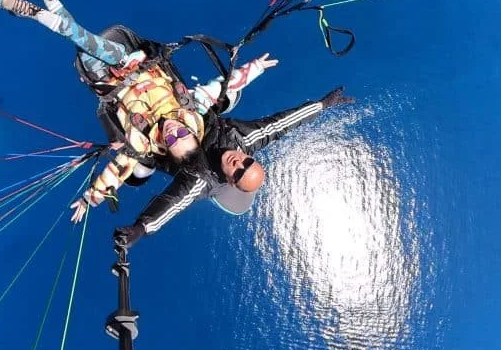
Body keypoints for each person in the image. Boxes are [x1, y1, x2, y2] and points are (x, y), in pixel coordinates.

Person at [0, 0, 277, 221]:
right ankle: (33, 11)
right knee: (85, 41)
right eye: (182, 133)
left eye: (171, 140)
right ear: (191, 132)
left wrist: (89, 199)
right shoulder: (191, 111)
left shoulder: (141, 144)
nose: (173, 132)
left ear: (166, 148)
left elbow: (116, 172)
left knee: (83, 43)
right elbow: (221, 88)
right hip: (130, 59)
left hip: (109, 80)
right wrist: (255, 68)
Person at [112, 86, 354, 251]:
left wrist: (140, 229)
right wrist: (322, 105)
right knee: (228, 94)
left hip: (162, 143)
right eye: (247, 162)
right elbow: (282, 124)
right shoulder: (245, 139)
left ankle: (141, 161)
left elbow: (173, 204)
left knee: (140, 170)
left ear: (229, 181)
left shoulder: (202, 180)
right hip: (189, 116)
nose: (238, 163)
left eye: (238, 172)